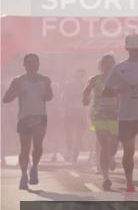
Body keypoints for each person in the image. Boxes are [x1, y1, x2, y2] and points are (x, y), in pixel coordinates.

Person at [103, 34, 138, 193]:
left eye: (137, 49)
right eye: (132, 49)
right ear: (127, 49)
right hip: (126, 115)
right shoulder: (119, 68)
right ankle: (129, 182)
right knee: (129, 151)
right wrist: (119, 90)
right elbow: (105, 92)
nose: (135, 52)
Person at [3, 53, 53, 190]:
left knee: (38, 146)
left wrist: (46, 95)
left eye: (34, 62)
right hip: (24, 117)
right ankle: (24, 175)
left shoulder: (45, 80)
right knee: (24, 149)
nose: (32, 64)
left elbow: (50, 96)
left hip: (40, 116)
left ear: (38, 64)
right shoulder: (18, 80)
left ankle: (34, 167)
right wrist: (17, 93)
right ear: (24, 65)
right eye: (29, 62)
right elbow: (5, 99)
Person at [83, 54, 119, 191]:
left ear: (114, 65)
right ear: (100, 66)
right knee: (104, 144)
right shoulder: (95, 79)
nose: (107, 66)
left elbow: (125, 92)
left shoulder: (118, 79)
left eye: (110, 64)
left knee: (114, 145)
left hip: (115, 114)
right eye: (105, 64)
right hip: (98, 115)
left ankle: (111, 156)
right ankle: (106, 177)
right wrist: (85, 99)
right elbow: (86, 91)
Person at [61, 68, 89, 164]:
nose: (79, 77)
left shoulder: (86, 85)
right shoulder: (69, 85)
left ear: (83, 76)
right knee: (68, 133)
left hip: (81, 111)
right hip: (70, 111)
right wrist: (65, 104)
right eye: (78, 75)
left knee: (79, 134)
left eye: (81, 75)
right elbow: (64, 97)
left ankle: (75, 152)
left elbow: (89, 98)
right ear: (74, 75)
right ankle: (70, 150)